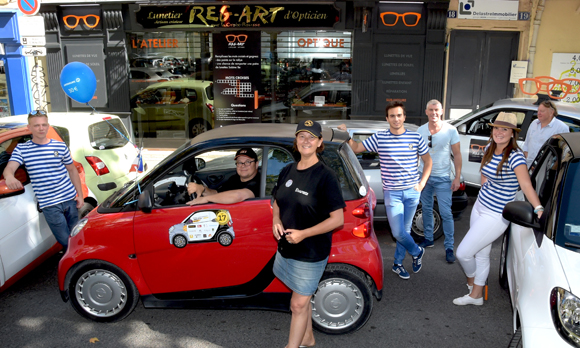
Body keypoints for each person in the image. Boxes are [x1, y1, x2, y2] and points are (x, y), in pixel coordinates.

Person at [453, 112, 542, 306]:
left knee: (463, 253)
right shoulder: (489, 148)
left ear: (512, 134)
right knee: (482, 254)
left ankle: (472, 283)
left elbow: (526, 186)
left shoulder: (516, 157)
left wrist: (538, 208)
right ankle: (477, 296)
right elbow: (484, 172)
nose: (499, 132)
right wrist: (485, 185)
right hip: (479, 206)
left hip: (496, 215)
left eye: (505, 129)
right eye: (496, 128)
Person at [272, 120, 345, 348]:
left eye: (311, 137)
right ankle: (308, 338)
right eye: (302, 136)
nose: (306, 141)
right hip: (287, 247)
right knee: (301, 300)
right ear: (296, 141)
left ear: (319, 142)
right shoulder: (288, 170)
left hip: (311, 251)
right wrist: (275, 218)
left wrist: (304, 233)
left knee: (297, 305)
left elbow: (338, 220)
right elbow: (277, 200)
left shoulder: (326, 176)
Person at [339, 101, 432, 280]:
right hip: (392, 193)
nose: (396, 119)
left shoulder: (415, 138)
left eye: (399, 115)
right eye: (392, 116)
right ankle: (417, 251)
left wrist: (421, 184)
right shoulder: (380, 137)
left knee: (403, 230)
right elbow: (357, 148)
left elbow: (429, 162)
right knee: (398, 232)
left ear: (404, 117)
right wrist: (345, 134)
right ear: (387, 118)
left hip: (413, 192)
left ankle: (397, 264)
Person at [3, 110, 83, 249]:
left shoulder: (59, 146)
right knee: (65, 241)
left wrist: (80, 195)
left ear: (47, 126)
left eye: (44, 125)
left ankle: (80, 264)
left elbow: (72, 170)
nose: (41, 128)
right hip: (49, 204)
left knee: (76, 236)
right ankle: (76, 264)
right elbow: (9, 169)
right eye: (36, 125)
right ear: (29, 128)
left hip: (69, 199)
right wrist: (9, 176)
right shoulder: (22, 149)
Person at [416, 100, 462, 263]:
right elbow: (416, 154)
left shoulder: (451, 130)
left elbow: (457, 154)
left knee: (446, 213)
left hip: (443, 178)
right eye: (431, 110)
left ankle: (449, 247)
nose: (434, 113)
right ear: (426, 111)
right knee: (426, 208)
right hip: (425, 176)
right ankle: (428, 238)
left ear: (441, 111)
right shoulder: (420, 131)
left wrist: (457, 177)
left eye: (436, 110)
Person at [186, 147, 260, 205]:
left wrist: (206, 199)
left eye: (248, 162)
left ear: (256, 164)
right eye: (239, 162)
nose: (243, 166)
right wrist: (202, 189)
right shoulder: (234, 178)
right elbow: (217, 194)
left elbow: (238, 195)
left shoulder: (259, 181)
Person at [522, 100, 569, 168]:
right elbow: (526, 144)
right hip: (528, 166)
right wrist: (527, 159)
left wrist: (552, 169)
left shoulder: (561, 128)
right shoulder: (534, 123)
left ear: (551, 112)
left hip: (546, 170)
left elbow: (564, 153)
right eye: (538, 111)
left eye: (542, 111)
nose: (538, 113)